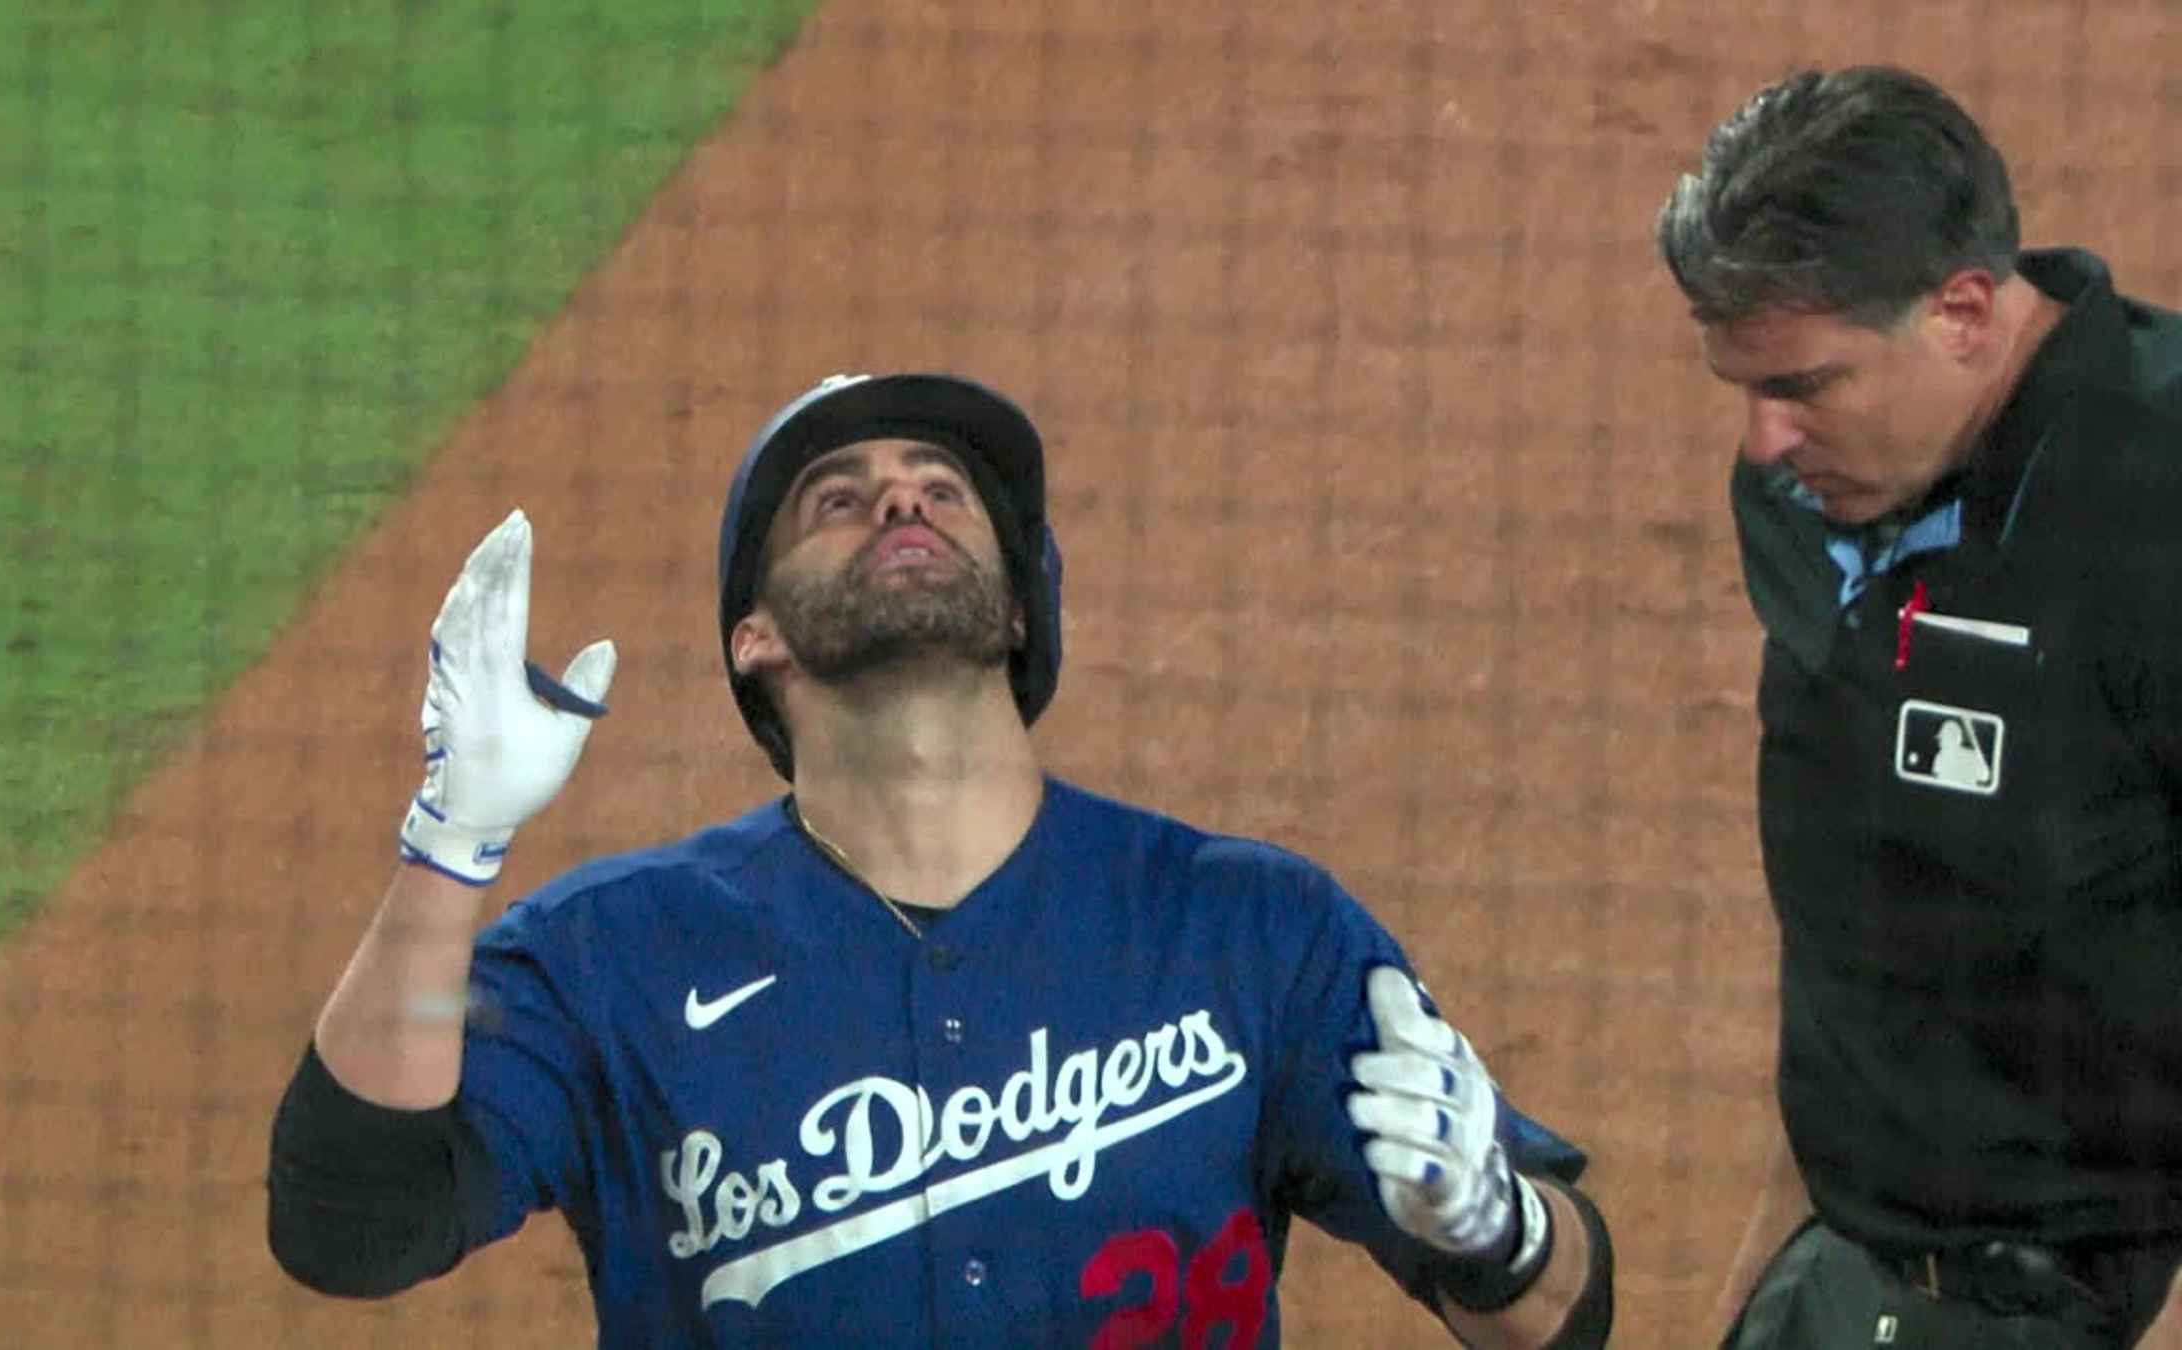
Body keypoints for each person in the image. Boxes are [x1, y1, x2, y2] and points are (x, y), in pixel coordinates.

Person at [264, 371, 1616, 1345]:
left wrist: (1498, 1230)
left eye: (942, 488)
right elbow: (349, 1226)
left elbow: (1564, 1321)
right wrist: (452, 842)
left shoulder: (1248, 927)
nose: (898, 499)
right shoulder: (613, 955)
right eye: (836, 498)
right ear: (757, 638)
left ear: (1020, 603)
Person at [1656, 64, 2182, 1348]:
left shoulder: (2153, 517)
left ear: (1961, 312)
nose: (1764, 441)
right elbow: (1857, 894)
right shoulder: (1814, 489)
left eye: (1805, 386)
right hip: (1843, 1258)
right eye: (1742, 386)